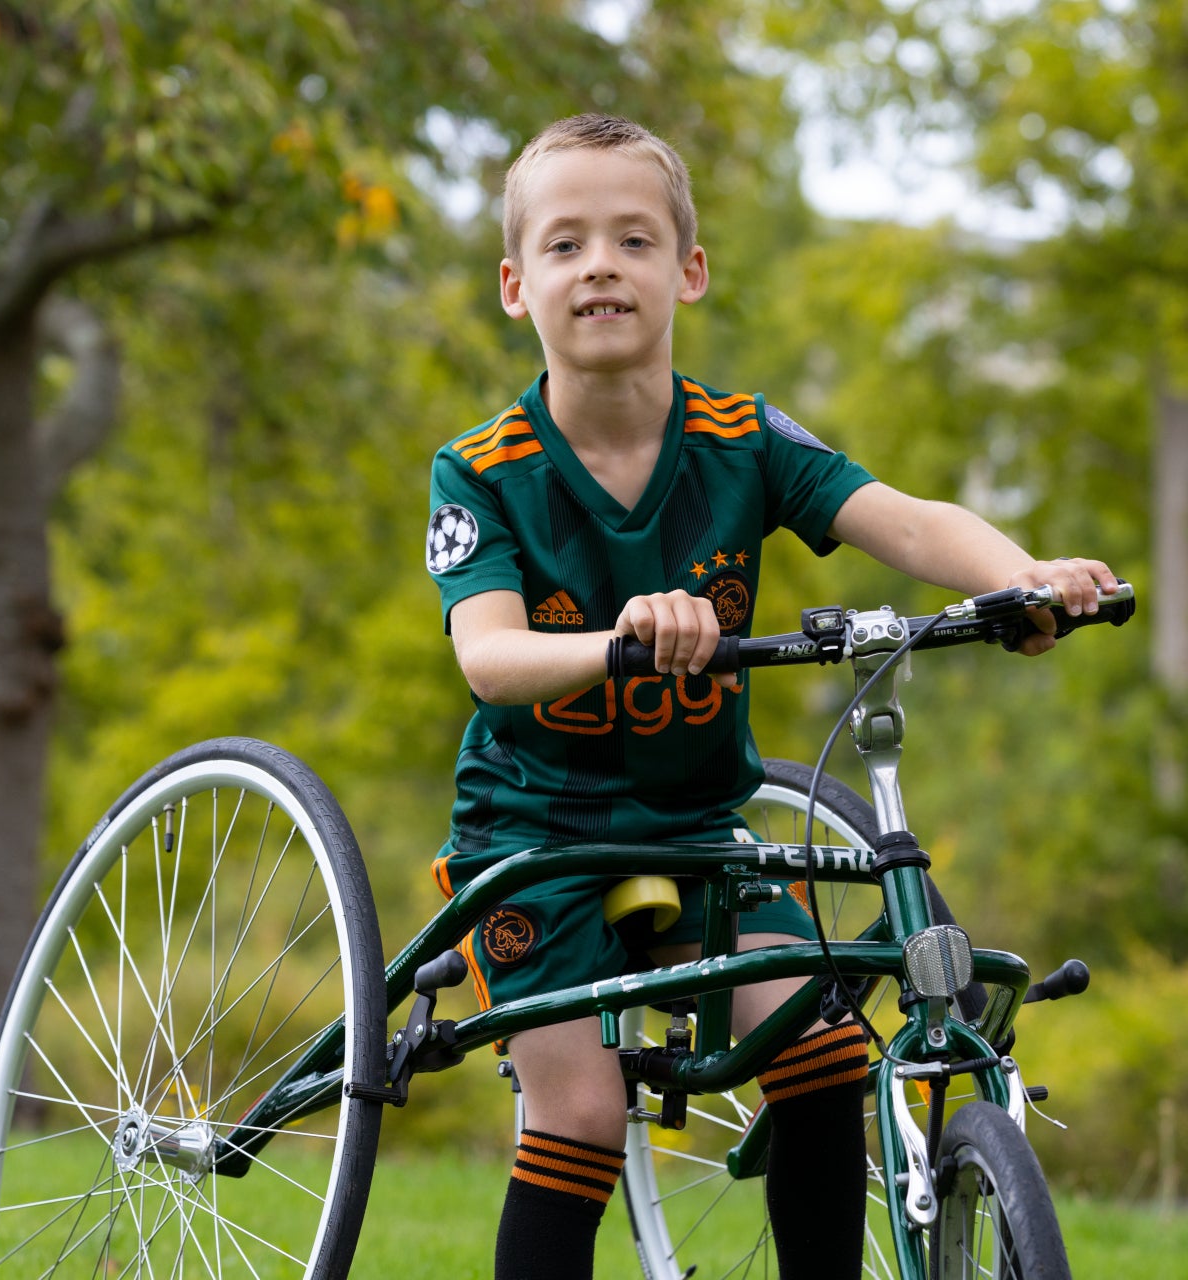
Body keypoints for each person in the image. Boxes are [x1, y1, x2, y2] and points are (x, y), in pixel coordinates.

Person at [424, 113, 1117, 1280]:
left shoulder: (740, 439)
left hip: (699, 827)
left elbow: (902, 518)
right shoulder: (480, 468)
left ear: (686, 271)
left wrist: (1021, 573)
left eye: (633, 239)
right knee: (582, 1117)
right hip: (532, 835)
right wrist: (624, 638)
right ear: (514, 284)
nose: (599, 263)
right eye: (564, 244)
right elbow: (489, 659)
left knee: (822, 1053)